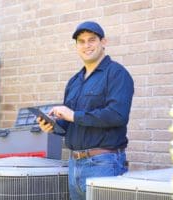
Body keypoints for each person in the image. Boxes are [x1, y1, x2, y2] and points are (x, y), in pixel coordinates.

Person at [37, 21, 134, 200]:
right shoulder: (74, 81)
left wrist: (73, 115)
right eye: (81, 41)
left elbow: (117, 115)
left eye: (92, 40)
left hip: (104, 164)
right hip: (74, 165)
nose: (86, 45)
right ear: (76, 46)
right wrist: (53, 126)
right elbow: (70, 124)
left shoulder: (117, 74)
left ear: (103, 42)